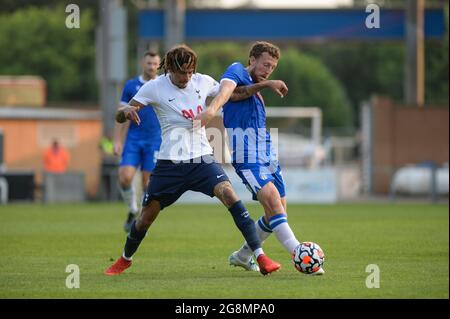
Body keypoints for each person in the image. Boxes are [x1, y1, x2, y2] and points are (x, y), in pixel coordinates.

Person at [104, 44, 281, 276]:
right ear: (170, 69)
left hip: (201, 159)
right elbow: (119, 116)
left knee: (229, 195)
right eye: (182, 73)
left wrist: (265, 84)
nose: (187, 77)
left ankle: (260, 256)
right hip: (170, 163)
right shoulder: (154, 87)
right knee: (146, 217)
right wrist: (126, 111)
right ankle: (125, 259)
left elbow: (235, 94)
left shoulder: (202, 81)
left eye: (190, 71)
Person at [196, 41, 324, 275]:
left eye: (272, 68)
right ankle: (301, 256)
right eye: (265, 64)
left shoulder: (257, 95)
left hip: (268, 154)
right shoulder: (237, 71)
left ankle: (243, 256)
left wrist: (264, 84)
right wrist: (212, 109)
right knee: (273, 201)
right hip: (246, 156)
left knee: (276, 212)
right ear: (252, 60)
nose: (268, 70)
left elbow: (245, 98)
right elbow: (229, 92)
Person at [114, 51, 162, 233]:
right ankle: (133, 208)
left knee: (147, 184)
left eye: (155, 63)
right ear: (143, 63)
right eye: (149, 63)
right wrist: (117, 140)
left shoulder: (161, 85)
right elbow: (121, 114)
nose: (152, 67)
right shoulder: (131, 85)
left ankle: (141, 219)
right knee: (125, 177)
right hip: (133, 140)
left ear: (159, 65)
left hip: (154, 141)